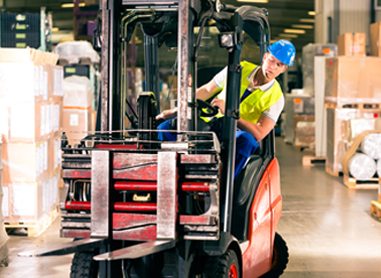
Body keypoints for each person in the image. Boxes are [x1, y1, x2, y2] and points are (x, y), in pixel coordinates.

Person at [156, 39, 296, 176]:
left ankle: (223, 187)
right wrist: (177, 110)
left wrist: (231, 112)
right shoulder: (239, 68)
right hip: (212, 123)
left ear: (284, 69)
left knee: (246, 142)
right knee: (166, 127)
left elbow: (259, 132)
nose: (273, 67)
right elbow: (207, 90)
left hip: (236, 132)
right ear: (265, 56)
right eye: (271, 60)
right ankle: (171, 176)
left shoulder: (276, 97)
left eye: (279, 65)